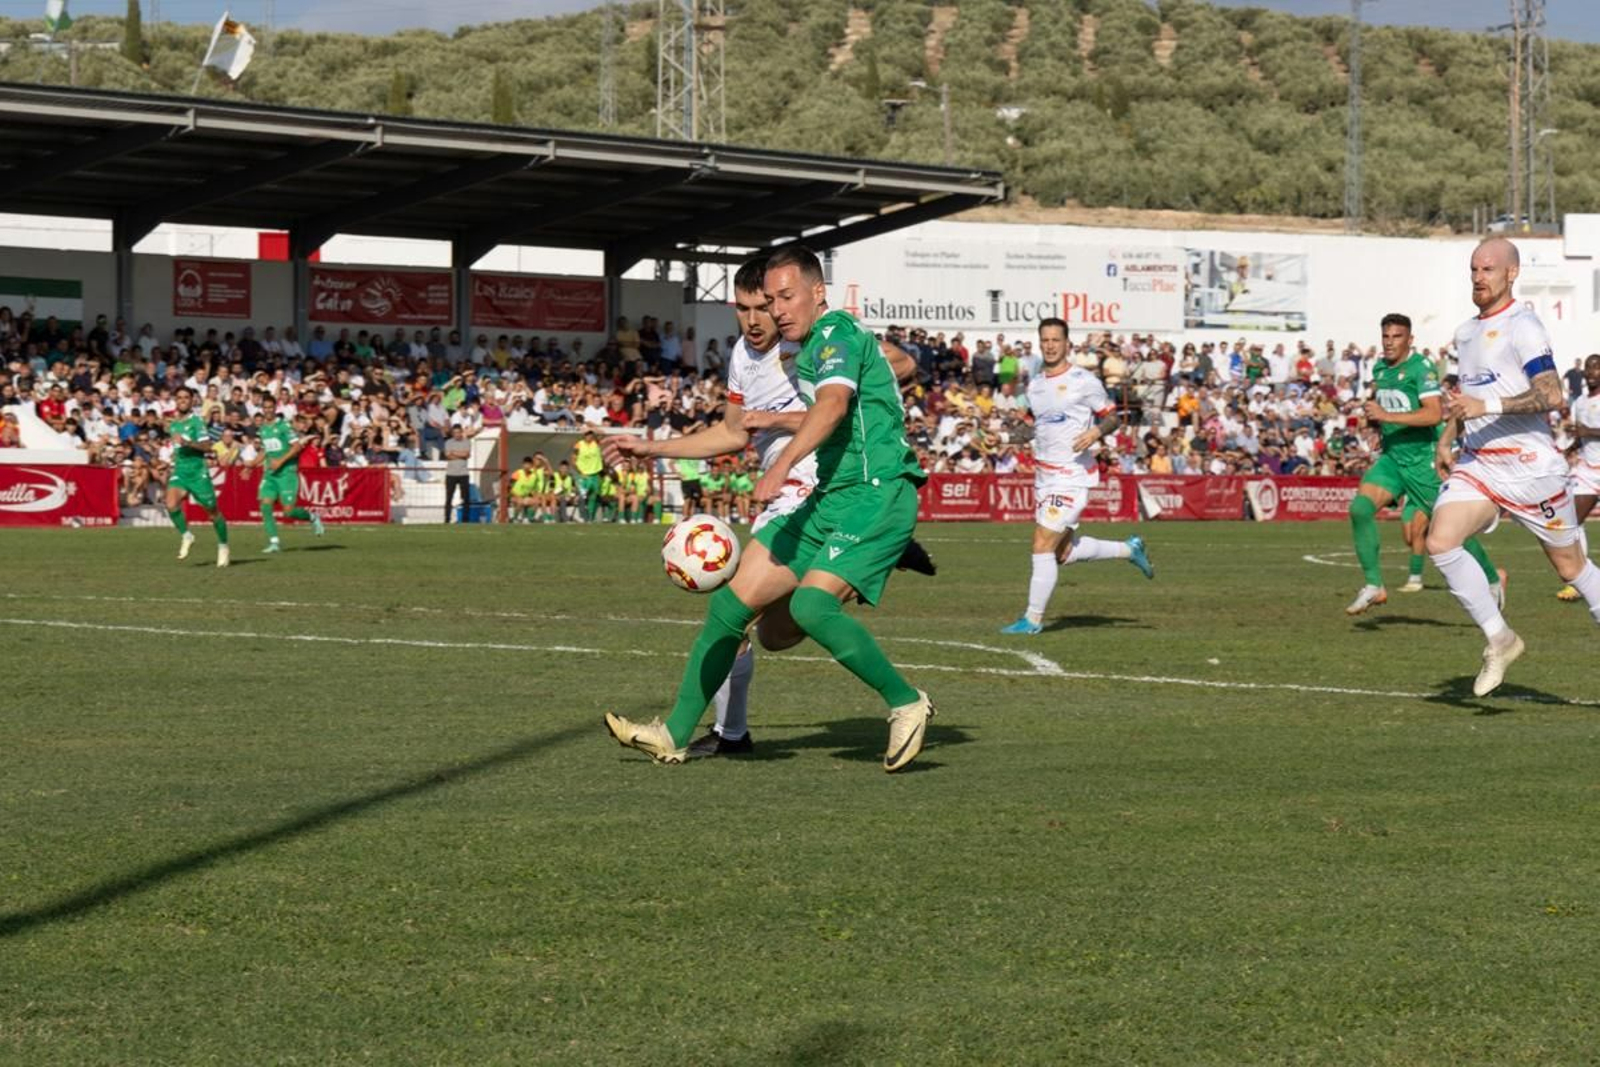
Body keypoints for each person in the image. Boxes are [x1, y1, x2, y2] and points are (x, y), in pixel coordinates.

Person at [605, 246, 935, 772]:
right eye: (759, 304)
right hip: (830, 495)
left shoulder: (836, 334)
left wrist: (780, 466)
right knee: (746, 619)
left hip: (872, 491)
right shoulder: (784, 351)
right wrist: (651, 447)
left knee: (807, 609)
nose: (772, 312)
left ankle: (906, 702)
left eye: (782, 299)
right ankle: (672, 733)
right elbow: (741, 430)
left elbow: (833, 403)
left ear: (817, 293)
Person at [1426, 237, 1600, 696]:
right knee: (1441, 541)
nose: (1479, 278)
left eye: (1488, 269)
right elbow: (1467, 401)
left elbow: (1552, 396)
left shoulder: (1524, 326)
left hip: (1530, 468)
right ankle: (1500, 638)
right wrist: (1447, 438)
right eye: (1474, 270)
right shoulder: (1465, 333)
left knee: (1570, 569)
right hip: (1479, 463)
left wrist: (1490, 404)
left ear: (1511, 274)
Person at [1000, 318, 1153, 636]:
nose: (1051, 345)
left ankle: (1032, 619)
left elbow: (1113, 417)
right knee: (1062, 553)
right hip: (1044, 477)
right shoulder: (1036, 385)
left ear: (1067, 343)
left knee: (1042, 544)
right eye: (1045, 340)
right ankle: (1129, 549)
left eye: (1056, 339)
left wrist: (1095, 432)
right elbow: (1036, 428)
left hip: (1072, 476)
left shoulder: (1084, 380)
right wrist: (1006, 438)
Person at [1344, 314, 1500, 615]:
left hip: (1422, 462)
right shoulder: (1380, 368)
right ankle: (1374, 586)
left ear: (1409, 340)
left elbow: (1432, 415)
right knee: (1360, 509)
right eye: (1386, 336)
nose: (1390, 342)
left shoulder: (1421, 368)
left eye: (1397, 337)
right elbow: (1386, 407)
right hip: (1392, 458)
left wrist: (1386, 417)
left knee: (1450, 532)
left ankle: (1492, 579)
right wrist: (1377, 429)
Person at [165, 385, 230, 567]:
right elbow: (178, 449)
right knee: (170, 504)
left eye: (186, 397)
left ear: (192, 400)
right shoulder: (174, 425)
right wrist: (172, 459)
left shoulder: (197, 422)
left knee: (212, 511)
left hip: (198, 472)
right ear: (176, 401)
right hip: (180, 471)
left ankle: (223, 545)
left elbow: (208, 446)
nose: (183, 400)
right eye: (179, 397)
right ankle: (187, 535)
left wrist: (187, 442)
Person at [254, 394, 325, 552]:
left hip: (287, 473)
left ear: (275, 408)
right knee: (265, 505)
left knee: (288, 512)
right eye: (265, 408)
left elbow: (296, 447)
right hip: (270, 474)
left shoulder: (284, 426)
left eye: (270, 408)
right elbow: (265, 450)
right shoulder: (263, 428)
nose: (267, 410)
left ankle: (312, 517)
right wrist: (251, 465)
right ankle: (274, 542)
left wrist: (280, 461)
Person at [1556, 353, 1600, 601]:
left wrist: (1587, 431)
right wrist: (1569, 449)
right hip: (1588, 471)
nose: (1591, 372)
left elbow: (1587, 431)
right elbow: (1581, 436)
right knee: (1571, 522)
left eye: (1596, 368)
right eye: (1588, 368)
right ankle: (1579, 581)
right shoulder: (1580, 402)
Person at [572, 429, 605, 522]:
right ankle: (582, 516)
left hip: (595, 474)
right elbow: (573, 460)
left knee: (593, 496)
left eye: (590, 434)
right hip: (584, 474)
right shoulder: (579, 444)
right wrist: (580, 472)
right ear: (584, 436)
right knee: (582, 495)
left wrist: (593, 428)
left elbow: (602, 433)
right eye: (587, 434)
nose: (589, 436)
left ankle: (590, 517)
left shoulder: (596, 443)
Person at [442, 425, 472, 523]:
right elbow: (448, 456)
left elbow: (467, 455)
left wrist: (454, 453)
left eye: (458, 432)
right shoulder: (448, 442)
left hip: (464, 474)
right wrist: (461, 455)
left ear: (461, 432)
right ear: (452, 433)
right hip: (451, 474)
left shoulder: (467, 442)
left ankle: (465, 520)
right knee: (449, 497)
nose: (457, 434)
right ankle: (447, 519)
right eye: (454, 433)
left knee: (466, 498)